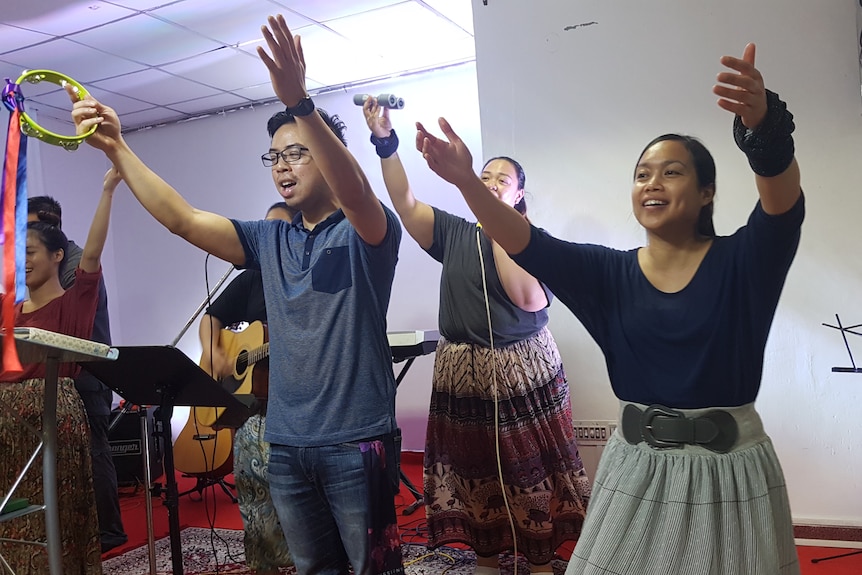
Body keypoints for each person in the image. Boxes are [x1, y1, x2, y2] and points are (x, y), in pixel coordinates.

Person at [414, 43, 803, 575]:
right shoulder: (608, 274)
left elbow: (782, 205)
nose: (652, 183)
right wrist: (465, 181)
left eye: (672, 173)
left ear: (708, 191)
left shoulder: (745, 261)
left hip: (728, 469)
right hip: (635, 468)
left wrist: (764, 130)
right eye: (643, 173)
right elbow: (528, 241)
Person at [68, 14, 405, 575]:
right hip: (288, 444)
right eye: (274, 157)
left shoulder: (367, 231)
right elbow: (181, 218)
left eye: (295, 153)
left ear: (326, 153)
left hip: (356, 443)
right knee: (312, 568)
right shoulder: (269, 237)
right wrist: (118, 151)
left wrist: (301, 103)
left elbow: (358, 190)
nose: (281, 167)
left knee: (375, 569)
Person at [363, 99, 591, 573]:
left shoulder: (529, 238)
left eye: (500, 181)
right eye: (483, 177)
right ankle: (486, 556)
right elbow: (404, 204)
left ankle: (543, 560)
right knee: (474, 474)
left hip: (521, 373)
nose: (489, 184)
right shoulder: (454, 232)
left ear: (519, 194)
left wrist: (502, 227)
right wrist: (386, 144)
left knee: (534, 474)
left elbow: (528, 299)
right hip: (462, 373)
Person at [0, 168, 118, 574]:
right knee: (11, 521)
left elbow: (93, 256)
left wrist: (107, 190)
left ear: (56, 256)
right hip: (6, 427)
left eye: (30, 251)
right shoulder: (8, 311)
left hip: (52, 421)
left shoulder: (73, 303)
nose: (23, 261)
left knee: (56, 516)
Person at [27, 195, 128, 554]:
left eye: (32, 226)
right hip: (63, 379)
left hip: (84, 375)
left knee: (94, 454)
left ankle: (107, 532)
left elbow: (63, 317)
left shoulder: (70, 266)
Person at [198, 201, 295, 575]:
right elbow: (211, 318)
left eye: (280, 230)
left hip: (298, 406)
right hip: (255, 408)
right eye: (263, 231)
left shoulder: (309, 278)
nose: (268, 239)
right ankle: (264, 563)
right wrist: (214, 351)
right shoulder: (252, 276)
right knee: (253, 491)